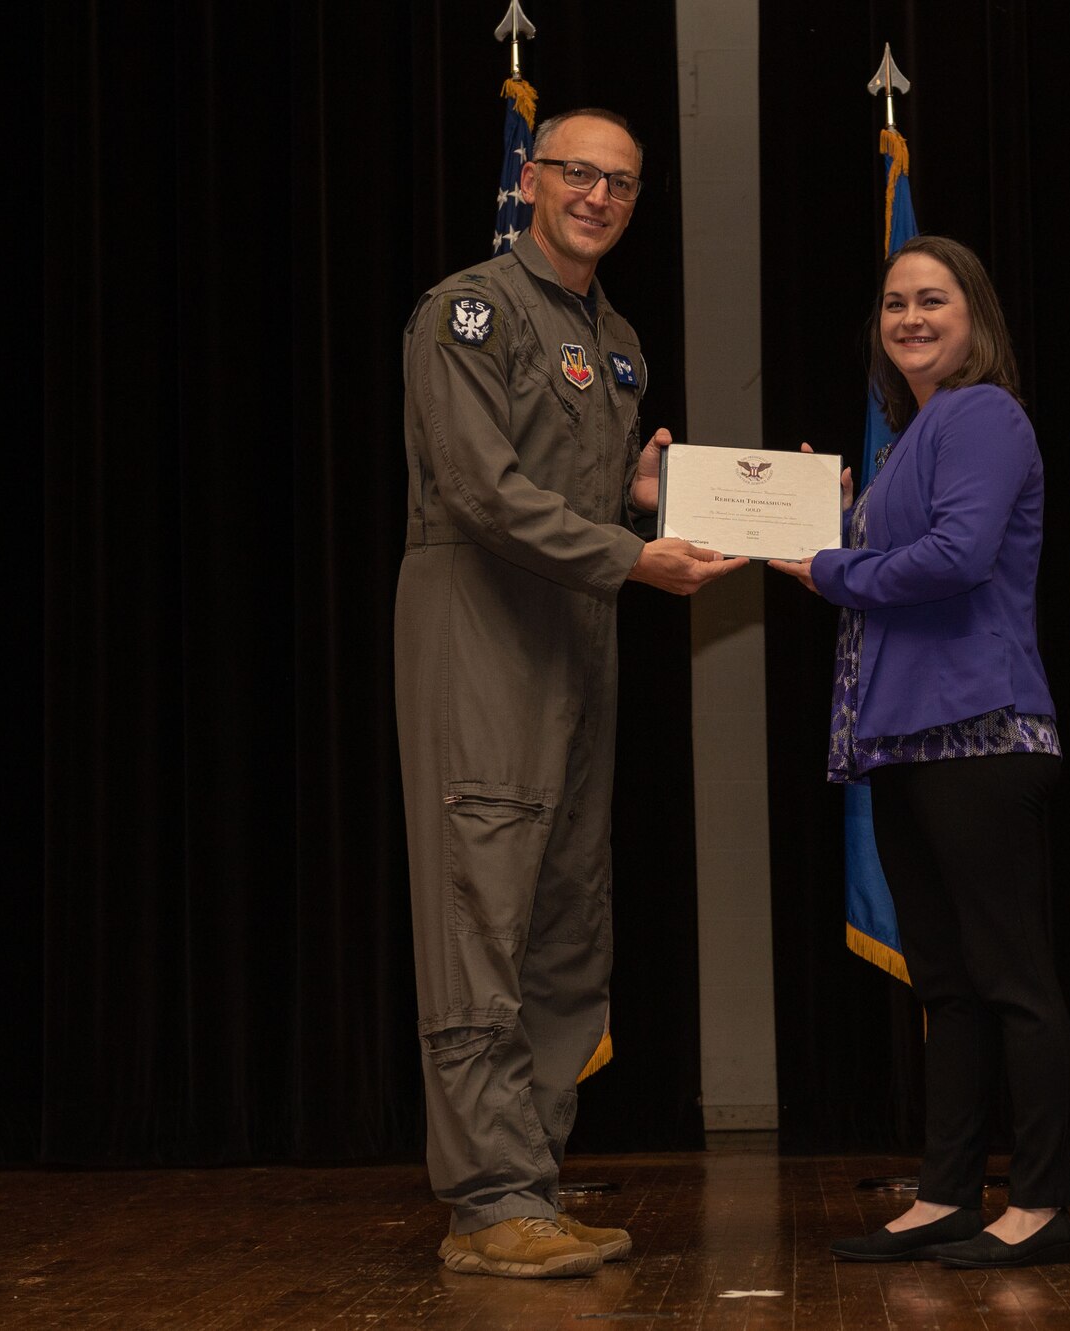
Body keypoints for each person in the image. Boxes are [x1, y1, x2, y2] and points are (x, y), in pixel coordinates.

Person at [396, 107, 743, 1280]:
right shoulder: (469, 310)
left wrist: (644, 494)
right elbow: (480, 489)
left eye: (621, 183)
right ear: (532, 181)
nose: (597, 196)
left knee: (564, 923)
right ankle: (488, 1198)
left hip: (578, 637)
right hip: (482, 631)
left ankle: (529, 1182)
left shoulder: (622, 342)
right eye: (577, 174)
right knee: (479, 909)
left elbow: (583, 501)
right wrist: (633, 555)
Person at [770, 236, 1070, 1269]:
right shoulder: (916, 434)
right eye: (894, 303)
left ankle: (1037, 1200)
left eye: (931, 300)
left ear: (973, 315)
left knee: (1010, 978)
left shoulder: (981, 412)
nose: (908, 317)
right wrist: (829, 513)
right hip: (907, 743)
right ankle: (946, 1191)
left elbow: (956, 556)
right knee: (946, 983)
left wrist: (827, 561)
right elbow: (895, 550)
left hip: (978, 733)